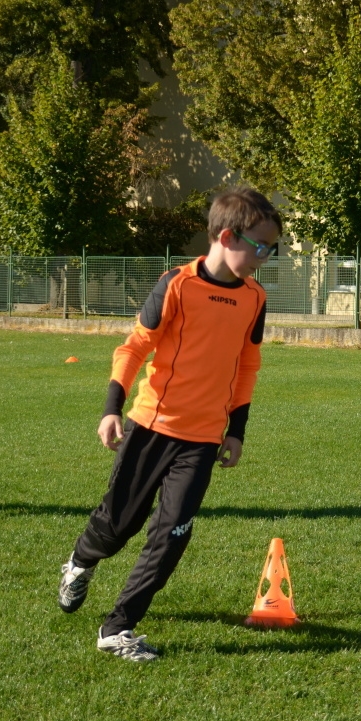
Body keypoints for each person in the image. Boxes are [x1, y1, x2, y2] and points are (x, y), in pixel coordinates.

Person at [57, 187, 278, 662]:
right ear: (226, 235)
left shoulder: (255, 298)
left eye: (271, 248)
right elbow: (133, 348)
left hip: (202, 439)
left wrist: (236, 430)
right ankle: (80, 561)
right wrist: (111, 407)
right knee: (118, 525)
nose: (265, 256)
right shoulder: (177, 284)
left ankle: (118, 628)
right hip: (152, 427)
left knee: (173, 531)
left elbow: (247, 365)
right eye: (260, 245)